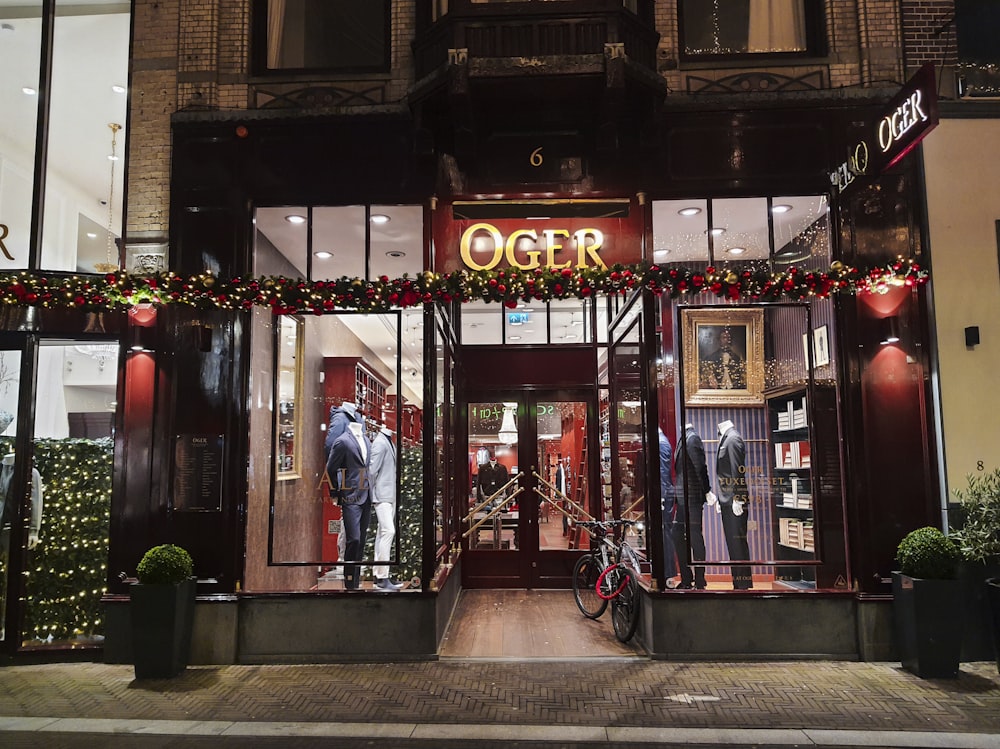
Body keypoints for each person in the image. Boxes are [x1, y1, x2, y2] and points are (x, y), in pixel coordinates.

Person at [0, 411, 43, 636]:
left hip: (12, 530)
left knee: (13, 579)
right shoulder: (2, 469)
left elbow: (35, 501)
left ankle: (12, 626)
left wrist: (33, 529)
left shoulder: (28, 472)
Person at [326, 419, 372, 590]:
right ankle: (349, 582)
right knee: (354, 539)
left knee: (361, 542)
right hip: (350, 496)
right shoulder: (343, 441)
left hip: (366, 495)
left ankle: (355, 583)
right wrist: (335, 492)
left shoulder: (366, 440)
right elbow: (331, 468)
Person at [716, 419, 753, 589]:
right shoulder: (726, 438)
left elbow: (737, 469)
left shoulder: (733, 439)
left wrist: (737, 498)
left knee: (737, 544)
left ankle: (742, 585)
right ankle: (738, 584)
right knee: (733, 544)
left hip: (734, 502)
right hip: (727, 500)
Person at [673, 423, 711, 589]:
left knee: (695, 537)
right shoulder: (685, 438)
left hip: (692, 496)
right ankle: (687, 578)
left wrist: (707, 490)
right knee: (679, 535)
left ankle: (699, 579)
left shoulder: (692, 439)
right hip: (683, 496)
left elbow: (700, 467)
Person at [369, 425, 402, 591]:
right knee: (389, 531)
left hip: (389, 494)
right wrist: (370, 494)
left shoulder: (390, 442)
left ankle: (379, 574)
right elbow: (371, 471)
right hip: (382, 495)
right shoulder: (380, 443)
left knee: (382, 533)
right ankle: (382, 575)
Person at [658, 428, 679, 583]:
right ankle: (666, 571)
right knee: (664, 532)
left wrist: (662, 495)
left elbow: (664, 472)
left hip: (664, 494)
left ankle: (669, 572)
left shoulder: (661, 443)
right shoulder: (661, 442)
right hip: (664, 493)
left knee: (666, 532)